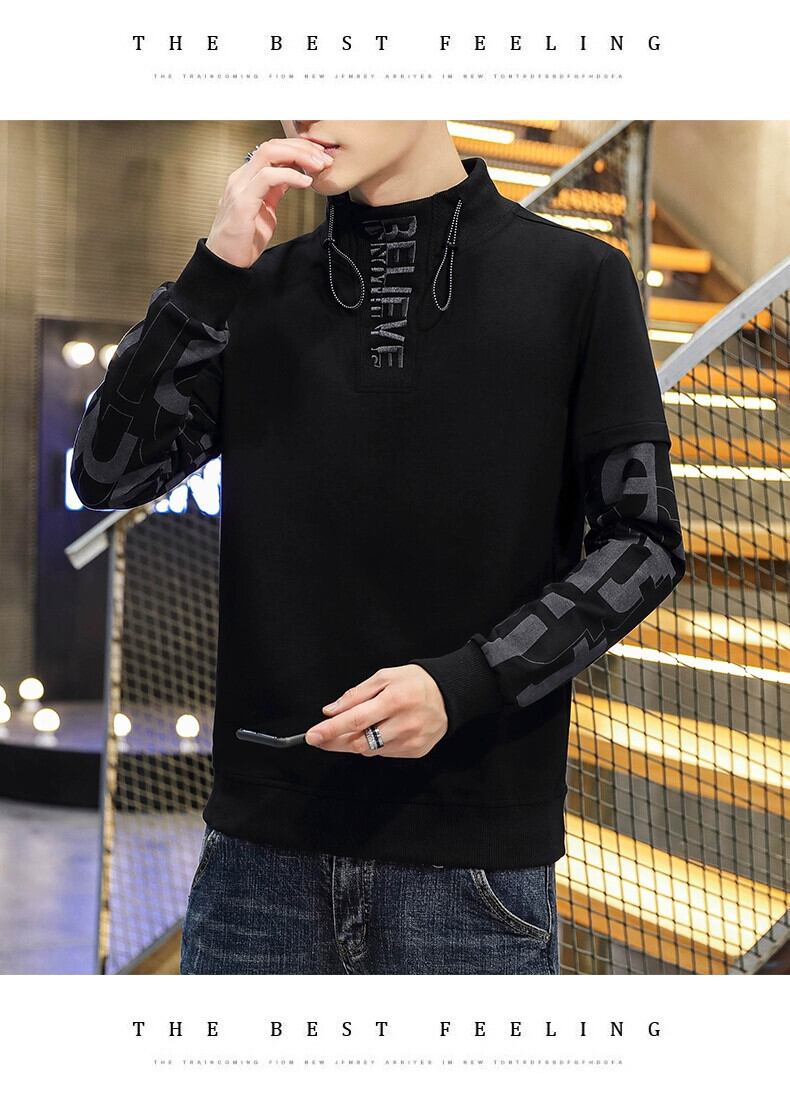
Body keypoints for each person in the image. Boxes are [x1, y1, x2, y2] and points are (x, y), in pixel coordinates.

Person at [70, 120, 686, 975]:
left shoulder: (576, 278)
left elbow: (644, 540)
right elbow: (106, 472)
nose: (306, 109)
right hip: (258, 863)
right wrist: (211, 271)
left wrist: (467, 681)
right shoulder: (250, 289)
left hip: (470, 872)